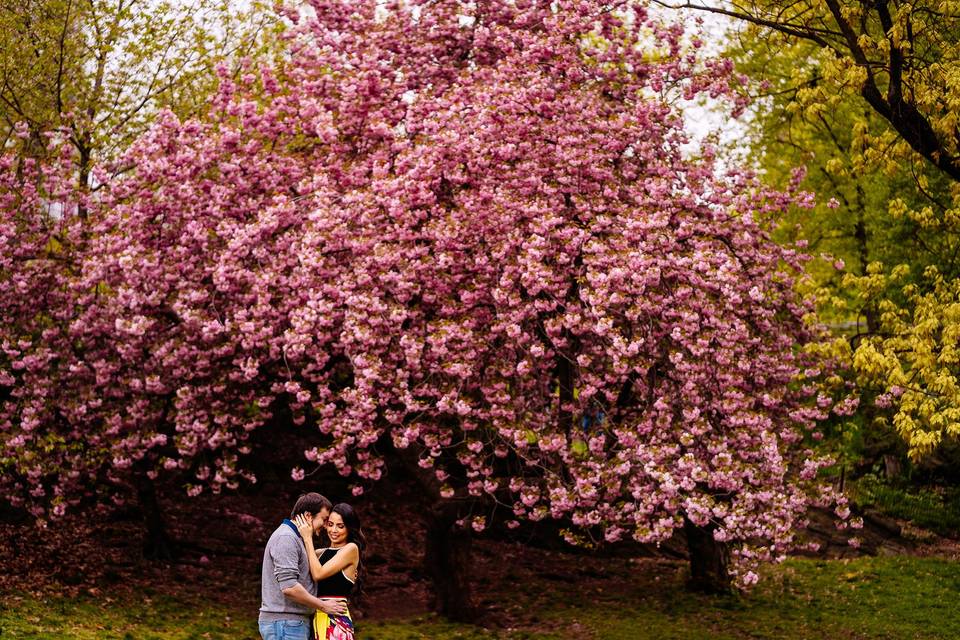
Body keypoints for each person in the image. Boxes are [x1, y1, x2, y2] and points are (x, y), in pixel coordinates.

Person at [259, 493, 349, 640]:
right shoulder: (286, 538)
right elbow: (289, 587)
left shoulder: (296, 538)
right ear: (308, 515)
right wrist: (323, 605)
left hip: (291, 623)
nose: (327, 525)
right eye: (324, 519)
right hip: (285, 624)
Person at [294, 503, 365, 640]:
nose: (333, 530)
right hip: (316, 617)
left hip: (335, 622)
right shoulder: (320, 554)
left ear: (350, 528)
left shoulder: (351, 549)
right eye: (330, 524)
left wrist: (308, 538)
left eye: (340, 526)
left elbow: (318, 574)